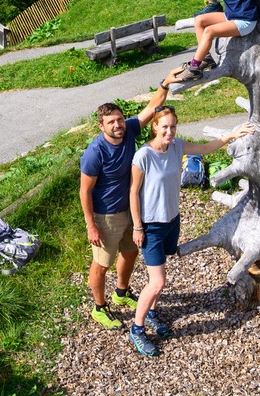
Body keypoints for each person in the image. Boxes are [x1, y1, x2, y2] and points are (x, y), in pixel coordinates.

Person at [127, 107, 254, 355]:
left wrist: (233, 134)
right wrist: (137, 226)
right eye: (164, 126)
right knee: (157, 282)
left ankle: (152, 313)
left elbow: (206, 148)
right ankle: (137, 329)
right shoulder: (143, 156)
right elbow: (133, 193)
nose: (169, 131)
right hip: (151, 227)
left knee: (158, 279)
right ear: (154, 127)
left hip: (172, 222)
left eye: (173, 126)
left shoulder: (177, 147)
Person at [79, 69, 182, 329]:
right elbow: (85, 191)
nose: (117, 125)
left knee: (130, 251)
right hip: (106, 215)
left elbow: (152, 108)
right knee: (102, 263)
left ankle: (121, 292)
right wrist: (91, 224)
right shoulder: (95, 153)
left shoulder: (130, 132)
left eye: (120, 119)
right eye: (111, 122)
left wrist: (165, 82)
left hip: (131, 210)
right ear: (101, 126)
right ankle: (99, 307)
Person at [172, 0, 260, 82]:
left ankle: (194, 67)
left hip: (245, 21)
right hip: (230, 16)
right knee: (199, 20)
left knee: (209, 31)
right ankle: (205, 59)